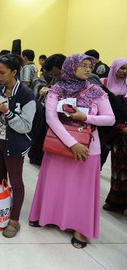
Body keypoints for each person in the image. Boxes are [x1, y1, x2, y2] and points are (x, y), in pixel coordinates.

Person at [29, 54, 115, 249]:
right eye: (83, 65)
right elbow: (51, 119)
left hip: (88, 148)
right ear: (70, 67)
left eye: (89, 66)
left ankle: (80, 228)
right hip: (59, 145)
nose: (87, 69)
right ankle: (48, 216)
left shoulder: (96, 91)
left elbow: (109, 118)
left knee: (82, 190)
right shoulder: (56, 90)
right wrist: (71, 143)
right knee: (54, 184)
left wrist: (85, 117)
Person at [0, 54, 36, 238]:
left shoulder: (26, 95)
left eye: (2, 72)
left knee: (16, 181)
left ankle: (14, 219)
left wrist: (7, 112)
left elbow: (25, 127)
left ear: (14, 71)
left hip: (14, 143)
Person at [102, 58, 127, 213]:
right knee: (118, 169)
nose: (125, 71)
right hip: (109, 131)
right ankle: (116, 202)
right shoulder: (103, 83)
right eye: (122, 68)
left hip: (123, 132)